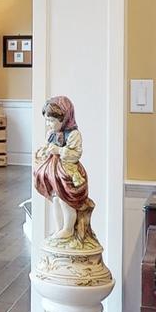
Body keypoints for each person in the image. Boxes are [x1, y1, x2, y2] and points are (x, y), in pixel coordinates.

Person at [32, 95, 95, 248]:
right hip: (54, 173)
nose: (49, 124)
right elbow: (48, 147)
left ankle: (68, 228)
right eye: (47, 120)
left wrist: (59, 150)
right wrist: (46, 151)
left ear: (65, 118)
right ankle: (60, 227)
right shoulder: (51, 134)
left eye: (52, 120)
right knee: (55, 198)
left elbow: (75, 154)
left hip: (68, 174)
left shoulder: (73, 135)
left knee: (65, 200)